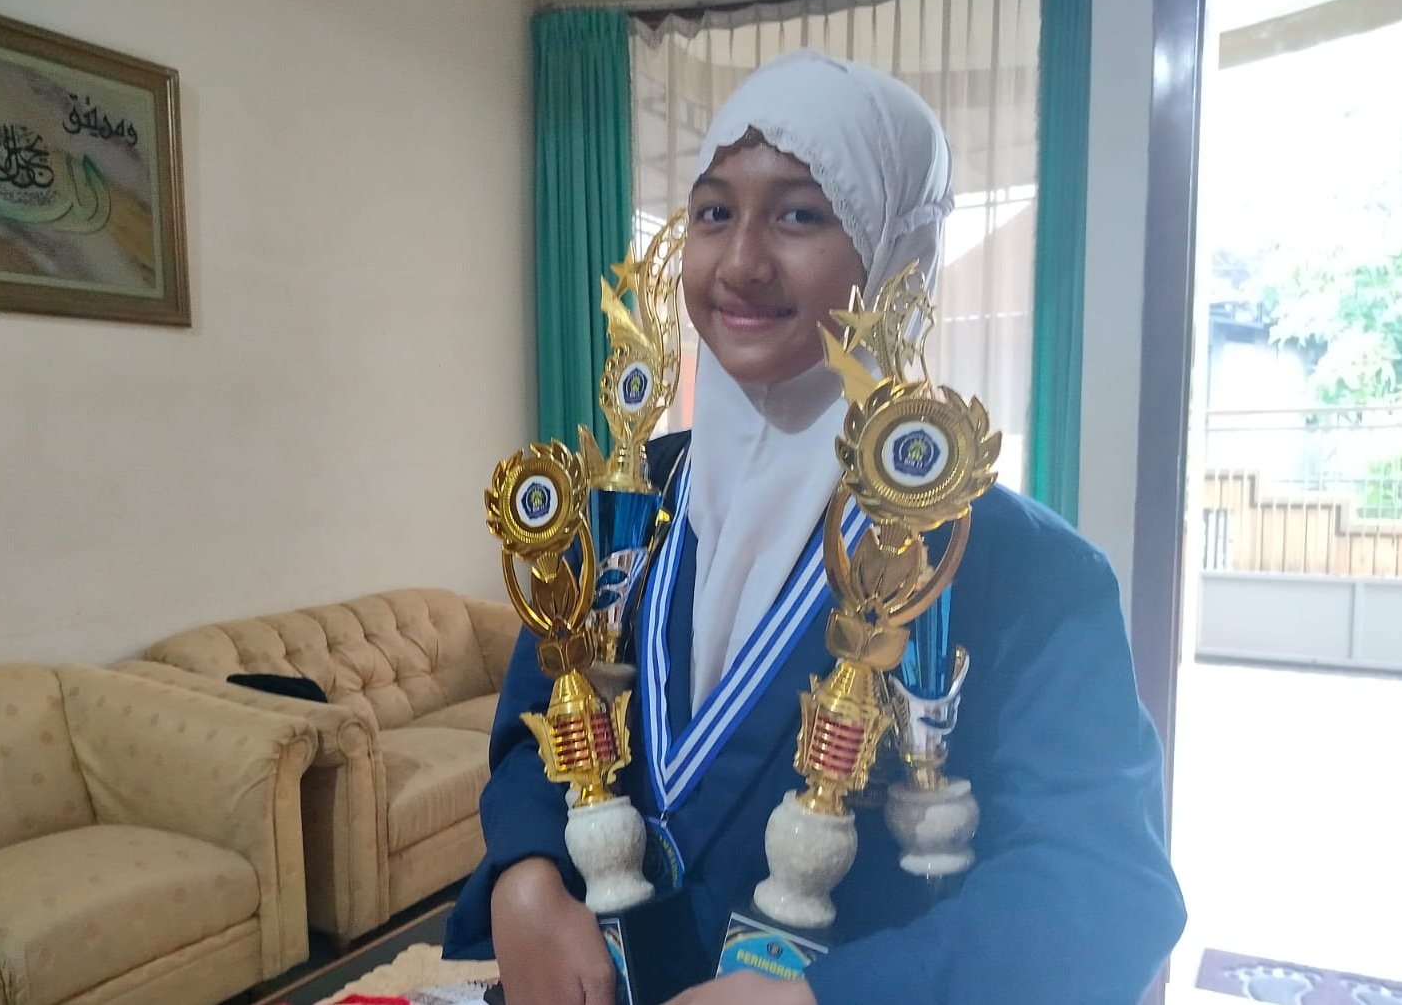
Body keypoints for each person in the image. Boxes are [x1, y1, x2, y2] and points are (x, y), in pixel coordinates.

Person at [445, 49, 1186, 1005]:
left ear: (895, 255)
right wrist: (526, 871)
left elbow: (1102, 892)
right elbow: (533, 737)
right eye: (713, 213)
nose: (740, 263)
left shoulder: (1016, 568)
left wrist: (833, 998)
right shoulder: (619, 510)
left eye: (799, 215)